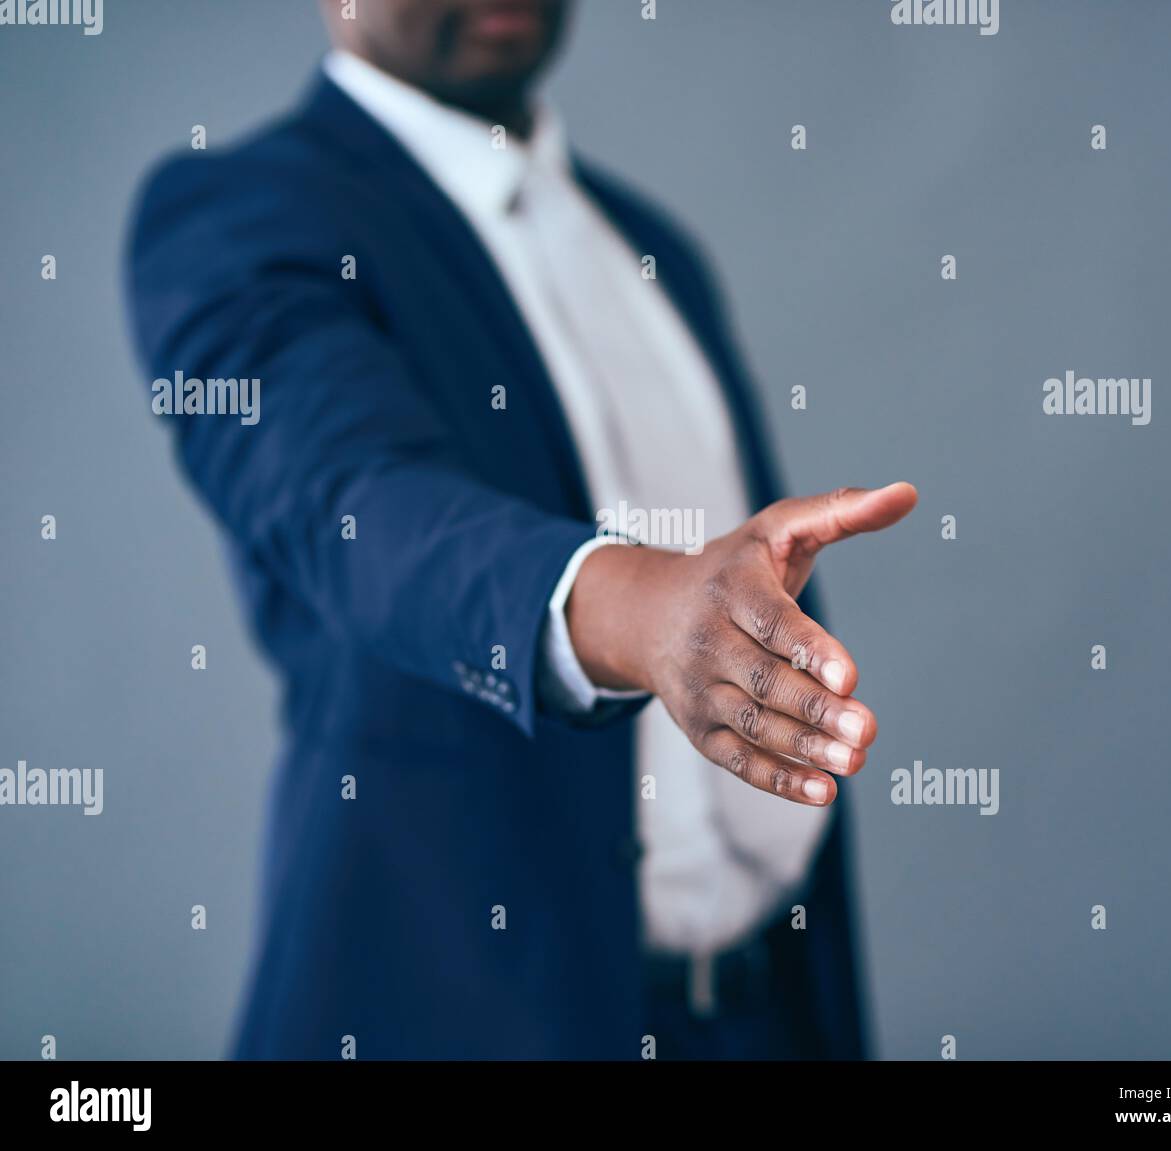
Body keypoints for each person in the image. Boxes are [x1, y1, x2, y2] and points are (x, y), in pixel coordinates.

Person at [126, 0, 917, 1060]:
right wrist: (639, 611)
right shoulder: (239, 212)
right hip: (464, 1013)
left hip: (761, 1011)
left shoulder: (651, 249)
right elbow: (353, 503)